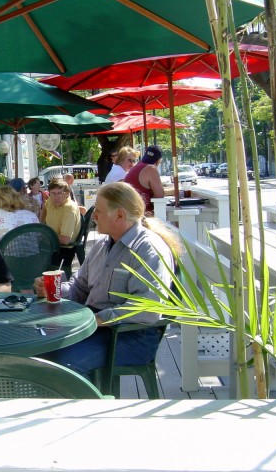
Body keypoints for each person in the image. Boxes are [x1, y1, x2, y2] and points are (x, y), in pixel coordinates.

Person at [34, 182, 183, 379]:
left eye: (99, 211)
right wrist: (54, 290)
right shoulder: (103, 244)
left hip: (131, 335)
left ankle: (82, 399)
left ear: (119, 215)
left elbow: (147, 308)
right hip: (96, 326)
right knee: (38, 350)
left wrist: (95, 320)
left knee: (62, 366)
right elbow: (80, 286)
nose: (94, 216)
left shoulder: (148, 248)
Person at [40, 178, 81, 272]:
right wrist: (41, 223)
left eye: (59, 193)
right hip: (50, 244)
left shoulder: (69, 210)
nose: (56, 197)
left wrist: (45, 234)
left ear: (67, 193)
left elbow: (65, 240)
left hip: (63, 249)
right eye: (53, 193)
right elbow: (45, 207)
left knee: (34, 262)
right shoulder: (51, 200)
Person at [123, 145, 165, 215]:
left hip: (129, 211)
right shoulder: (151, 169)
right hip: (140, 214)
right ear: (158, 161)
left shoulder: (137, 166)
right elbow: (160, 195)